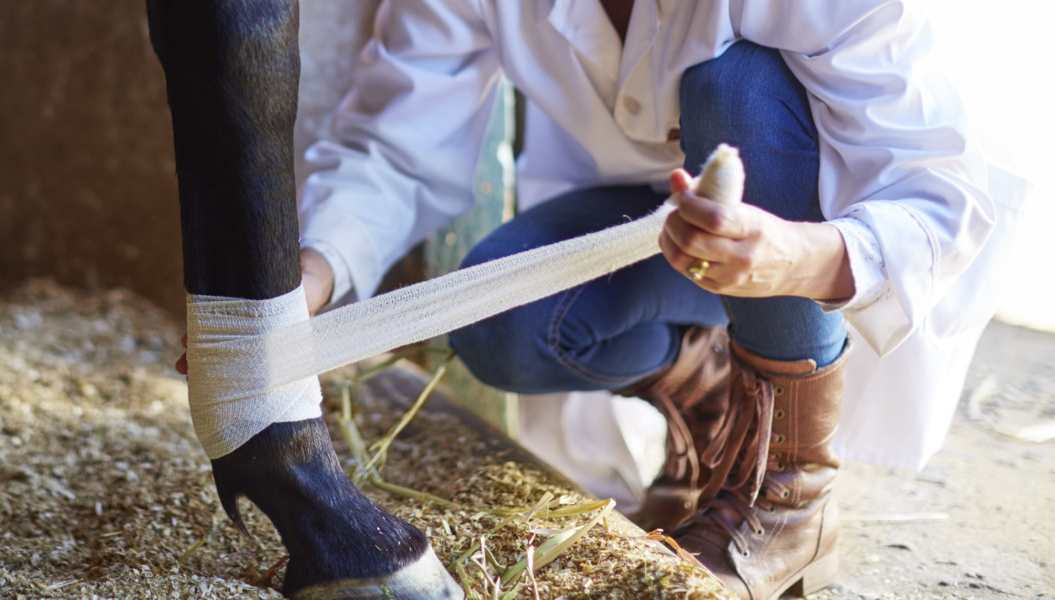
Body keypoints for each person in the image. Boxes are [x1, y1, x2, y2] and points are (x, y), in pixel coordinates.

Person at [293, 1, 1014, 597]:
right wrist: (310, 276)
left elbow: (941, 196)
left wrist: (791, 257)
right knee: (504, 324)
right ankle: (715, 401)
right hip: (661, 226)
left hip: (807, 227)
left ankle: (787, 494)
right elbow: (393, 143)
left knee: (734, 86)